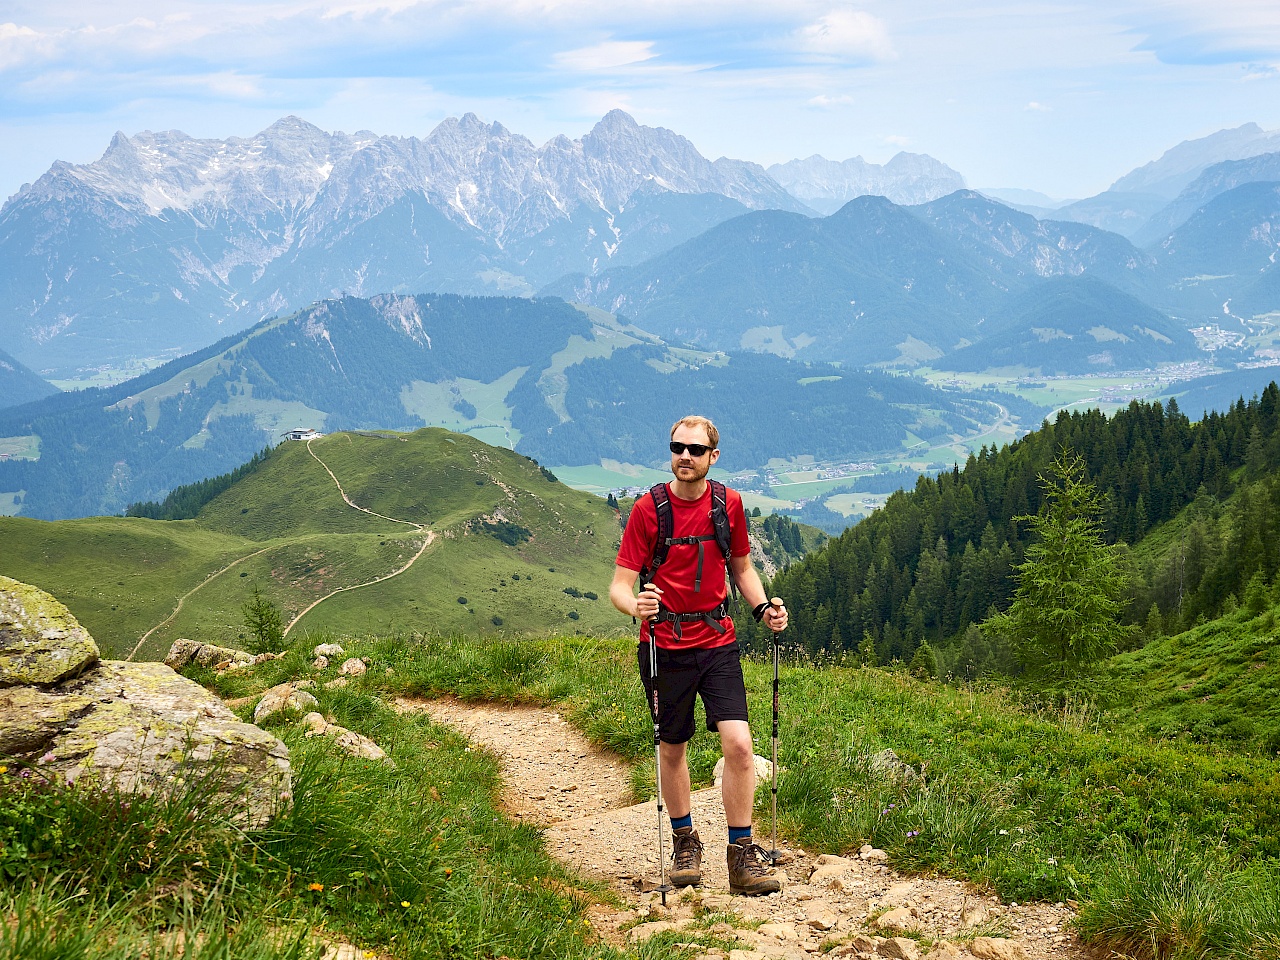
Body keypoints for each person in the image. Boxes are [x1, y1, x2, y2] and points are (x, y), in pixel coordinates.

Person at [609, 415, 788, 895]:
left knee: (740, 746)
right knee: (672, 747)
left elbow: (742, 567)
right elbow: (619, 587)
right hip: (662, 646)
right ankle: (685, 840)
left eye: (694, 449)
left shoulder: (728, 504)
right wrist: (636, 605)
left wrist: (763, 607)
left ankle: (742, 852)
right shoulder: (650, 509)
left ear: (713, 456)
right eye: (676, 448)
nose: (684, 456)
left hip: (717, 642)